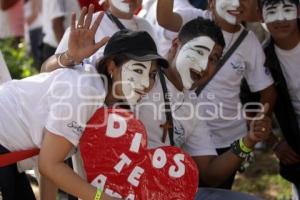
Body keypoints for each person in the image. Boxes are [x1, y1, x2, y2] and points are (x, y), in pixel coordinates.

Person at [0, 9, 168, 200]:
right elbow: (50, 165)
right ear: (112, 66)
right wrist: (102, 198)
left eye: (152, 75)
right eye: (138, 70)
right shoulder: (87, 91)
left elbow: (53, 163)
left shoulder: (100, 92)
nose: (146, 84)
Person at [244, 0, 300, 197]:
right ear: (260, 15)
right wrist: (274, 142)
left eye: (287, 10)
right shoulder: (261, 58)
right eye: (272, 11)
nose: (281, 19)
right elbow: (248, 104)